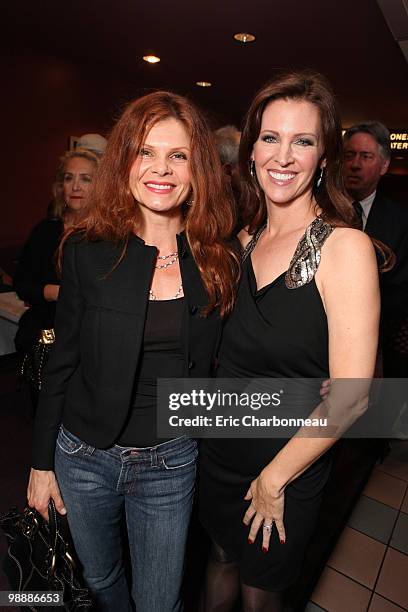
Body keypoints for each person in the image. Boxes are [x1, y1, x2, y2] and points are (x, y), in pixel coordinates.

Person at [27, 91, 239, 612]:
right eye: (145, 152)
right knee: (100, 581)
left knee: (160, 602)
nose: (160, 169)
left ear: (198, 169)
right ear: (124, 160)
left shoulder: (219, 260)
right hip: (83, 457)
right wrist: (40, 464)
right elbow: (64, 361)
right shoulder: (85, 249)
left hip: (171, 460)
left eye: (178, 155)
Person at [199, 71, 380, 611]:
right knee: (219, 560)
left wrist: (275, 478)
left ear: (325, 157)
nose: (284, 155)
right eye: (271, 138)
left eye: (303, 141)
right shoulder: (243, 239)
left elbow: (352, 397)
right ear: (251, 149)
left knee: (262, 595)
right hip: (219, 450)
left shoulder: (342, 247)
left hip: (285, 463)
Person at [14, 149, 99, 404]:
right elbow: (22, 284)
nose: (75, 186)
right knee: (46, 409)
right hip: (46, 335)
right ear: (60, 186)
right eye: (68, 178)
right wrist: (57, 292)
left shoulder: (109, 235)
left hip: (92, 340)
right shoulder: (45, 230)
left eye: (86, 179)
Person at [343, 122, 408, 377]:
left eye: (366, 156)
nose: (355, 164)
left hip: (379, 344)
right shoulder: (319, 211)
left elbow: (400, 291)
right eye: (349, 155)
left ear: (384, 165)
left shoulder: (400, 221)